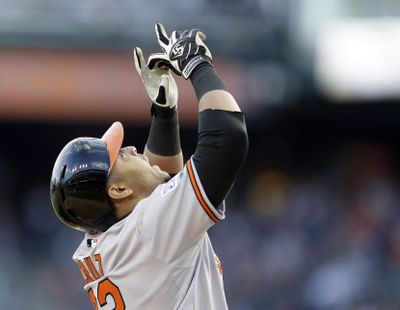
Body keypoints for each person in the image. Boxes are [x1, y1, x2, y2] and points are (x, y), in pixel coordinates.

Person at [50, 23, 248, 309]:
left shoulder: (109, 241)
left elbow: (164, 186)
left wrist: (165, 115)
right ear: (118, 190)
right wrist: (197, 64)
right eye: (121, 156)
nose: (131, 148)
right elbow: (227, 141)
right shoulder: (147, 233)